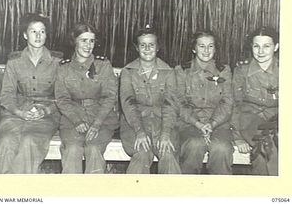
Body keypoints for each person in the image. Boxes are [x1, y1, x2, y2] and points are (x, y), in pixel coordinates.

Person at [0, 13, 62, 174]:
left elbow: (63, 96)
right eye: (33, 31)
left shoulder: (57, 62)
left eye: (42, 31)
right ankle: (0, 190)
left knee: (29, 141)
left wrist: (45, 110)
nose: (38, 36)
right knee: (6, 140)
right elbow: (6, 95)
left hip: (46, 115)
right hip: (16, 113)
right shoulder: (14, 61)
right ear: (25, 35)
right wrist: (19, 112)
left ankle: (18, 189)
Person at [55, 23, 119, 174]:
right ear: (74, 41)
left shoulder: (103, 65)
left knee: (94, 149)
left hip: (101, 120)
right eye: (83, 40)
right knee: (72, 149)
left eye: (91, 41)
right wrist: (76, 120)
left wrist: (97, 124)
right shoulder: (64, 68)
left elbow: (110, 97)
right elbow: (62, 99)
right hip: (72, 120)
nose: (88, 45)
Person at [120, 26, 181, 174]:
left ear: (158, 47)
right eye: (143, 45)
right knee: (141, 154)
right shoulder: (128, 72)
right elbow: (129, 104)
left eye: (151, 44)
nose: (147, 49)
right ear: (137, 47)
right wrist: (139, 131)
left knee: (168, 154)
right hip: (134, 124)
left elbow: (170, 105)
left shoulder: (168, 72)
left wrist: (166, 133)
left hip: (163, 123)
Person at [175, 31, 234, 174]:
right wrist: (198, 124)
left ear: (215, 48)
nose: (206, 51)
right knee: (194, 145)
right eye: (202, 46)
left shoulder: (224, 71)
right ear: (194, 48)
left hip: (218, 124)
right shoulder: (181, 71)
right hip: (190, 124)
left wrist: (212, 124)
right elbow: (179, 103)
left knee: (222, 148)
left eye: (210, 46)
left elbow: (227, 102)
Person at [231, 26, 279, 175]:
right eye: (256, 46)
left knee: (261, 155)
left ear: (276, 47)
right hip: (251, 121)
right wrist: (237, 138)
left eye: (266, 46)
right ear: (251, 47)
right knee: (268, 144)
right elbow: (234, 105)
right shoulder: (242, 71)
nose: (261, 51)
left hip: (277, 120)